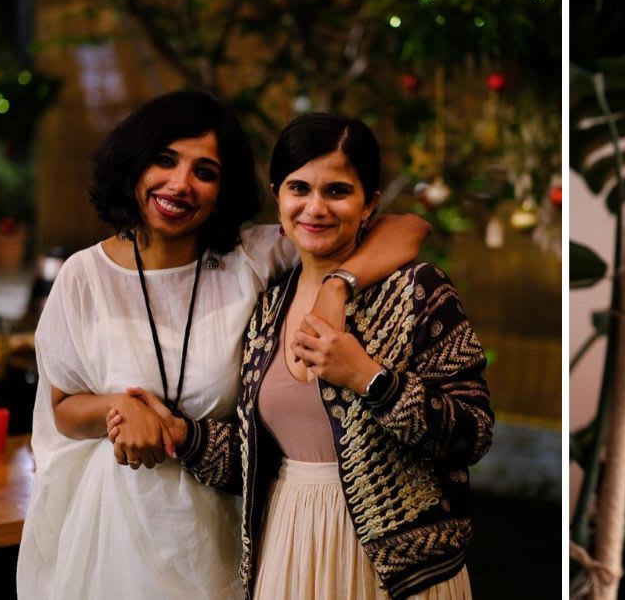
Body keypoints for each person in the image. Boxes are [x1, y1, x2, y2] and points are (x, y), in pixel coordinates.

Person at [17, 91, 429, 600]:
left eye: (205, 171)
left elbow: (407, 227)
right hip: (117, 527)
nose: (179, 184)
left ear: (224, 188)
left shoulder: (250, 259)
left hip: (226, 530)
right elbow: (61, 408)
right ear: (134, 164)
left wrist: (336, 288)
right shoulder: (84, 276)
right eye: (164, 160)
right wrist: (117, 408)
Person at [111, 113, 493, 599]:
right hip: (286, 547)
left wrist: (370, 379)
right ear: (278, 196)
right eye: (299, 189)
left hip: (395, 569)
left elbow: (472, 433)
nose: (315, 208)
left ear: (368, 204)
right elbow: (259, 459)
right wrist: (183, 434)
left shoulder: (418, 291)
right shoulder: (269, 305)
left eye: (337, 191)